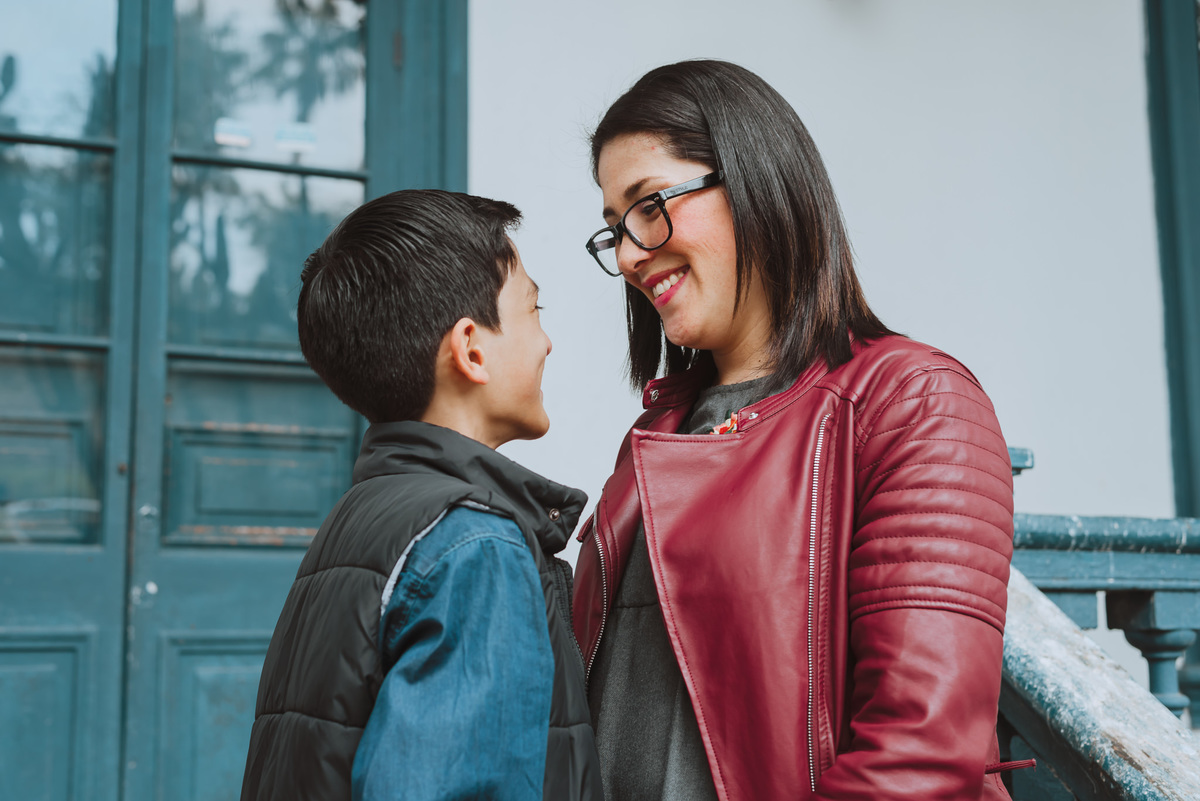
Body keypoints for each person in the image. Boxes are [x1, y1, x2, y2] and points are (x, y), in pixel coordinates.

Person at [573, 60, 1019, 800]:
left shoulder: (910, 401)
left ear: (756, 183)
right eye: (615, 227)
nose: (627, 254)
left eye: (649, 205)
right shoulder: (655, 435)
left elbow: (920, 754)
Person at [240, 189, 602, 801]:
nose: (547, 342)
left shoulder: (364, 513)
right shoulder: (475, 544)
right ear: (471, 348)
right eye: (533, 309)